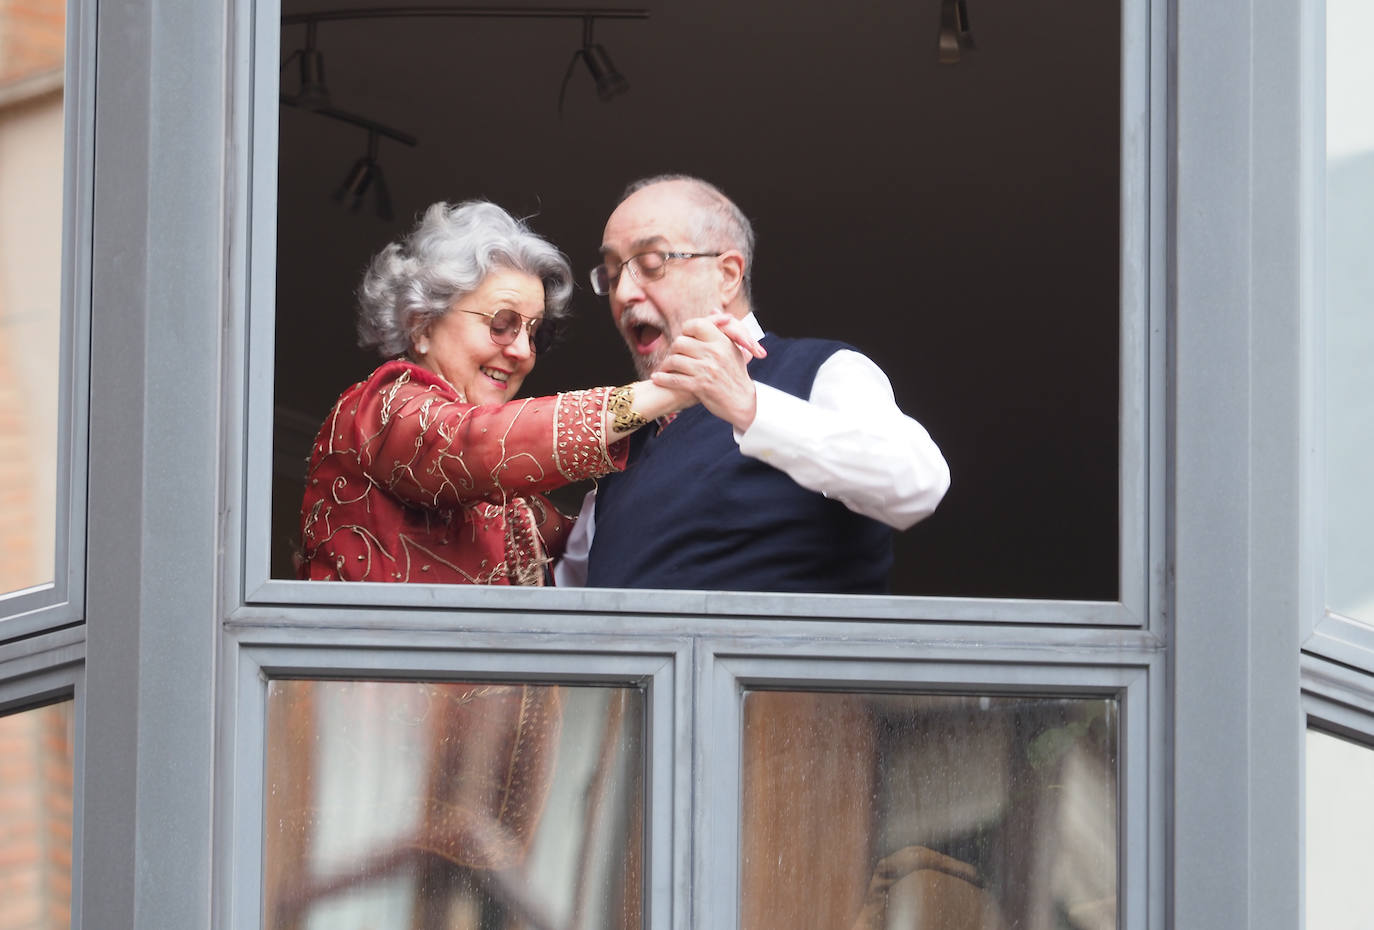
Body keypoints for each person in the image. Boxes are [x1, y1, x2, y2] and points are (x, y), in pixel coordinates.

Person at [297, 199, 762, 586]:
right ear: (422, 325)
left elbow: (608, 545)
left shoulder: (515, 507)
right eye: (502, 325)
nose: (522, 350)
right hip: (372, 695)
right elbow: (467, 444)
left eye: (534, 333)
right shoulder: (378, 408)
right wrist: (666, 390)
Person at [554, 175, 950, 593]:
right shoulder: (624, 450)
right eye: (613, 274)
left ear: (727, 275)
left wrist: (748, 405)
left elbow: (917, 483)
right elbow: (558, 606)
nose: (624, 293)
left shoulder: (819, 371)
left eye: (651, 264)